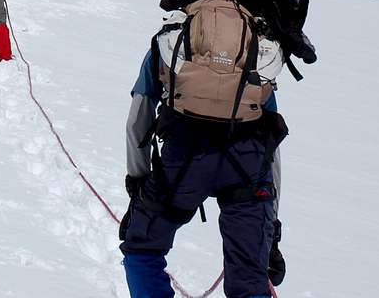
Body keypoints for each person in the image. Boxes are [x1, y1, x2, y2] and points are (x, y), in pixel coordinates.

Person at [119, 35, 287, 298]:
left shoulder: (172, 40)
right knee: (250, 277)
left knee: (142, 249)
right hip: (247, 164)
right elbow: (271, 144)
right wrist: (271, 224)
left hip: (184, 158)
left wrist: (139, 184)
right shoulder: (255, 47)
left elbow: (137, 120)